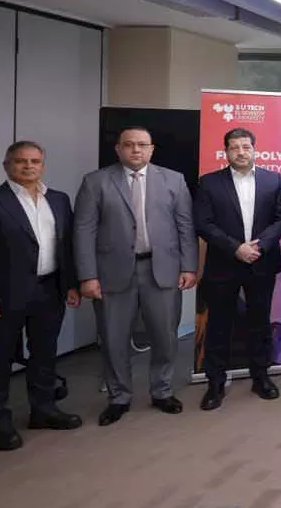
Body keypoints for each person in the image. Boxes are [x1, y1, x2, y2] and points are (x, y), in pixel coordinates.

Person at [0, 141, 81, 450]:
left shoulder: (58, 199)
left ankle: (44, 410)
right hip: (4, 295)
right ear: (7, 166)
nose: (28, 166)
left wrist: (70, 284)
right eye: (20, 161)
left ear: (42, 165)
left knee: (44, 354)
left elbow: (66, 246)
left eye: (35, 161)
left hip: (49, 289)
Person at [75, 126, 197, 426]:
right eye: (129, 144)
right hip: (112, 273)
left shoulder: (174, 180)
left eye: (142, 144)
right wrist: (87, 275)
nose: (136, 150)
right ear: (118, 149)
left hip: (162, 270)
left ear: (152, 149)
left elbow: (185, 226)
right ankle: (119, 396)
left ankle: (162, 391)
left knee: (165, 336)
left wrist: (189, 266)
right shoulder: (95, 182)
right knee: (114, 338)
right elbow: (83, 230)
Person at [193, 127, 281, 411]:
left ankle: (261, 377)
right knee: (219, 325)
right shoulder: (209, 183)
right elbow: (203, 223)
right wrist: (236, 247)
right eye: (234, 147)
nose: (241, 152)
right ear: (226, 151)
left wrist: (261, 245)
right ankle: (215, 383)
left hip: (261, 261)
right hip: (224, 263)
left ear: (254, 149)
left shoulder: (273, 180)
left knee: (260, 323)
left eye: (246, 147)